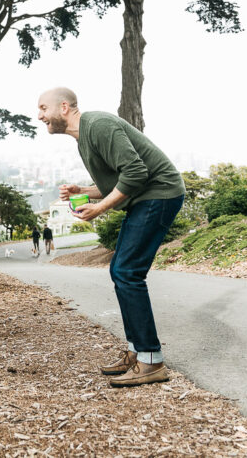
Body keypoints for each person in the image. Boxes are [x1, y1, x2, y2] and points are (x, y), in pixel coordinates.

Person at [37, 87, 185, 388]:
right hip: (146, 197)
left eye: (43, 108)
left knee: (127, 271)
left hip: (160, 193)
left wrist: (100, 208)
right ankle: (137, 351)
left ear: (64, 107)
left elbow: (136, 173)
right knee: (122, 271)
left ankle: (151, 360)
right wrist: (83, 191)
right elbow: (118, 180)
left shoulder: (99, 125)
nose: (39, 116)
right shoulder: (84, 138)